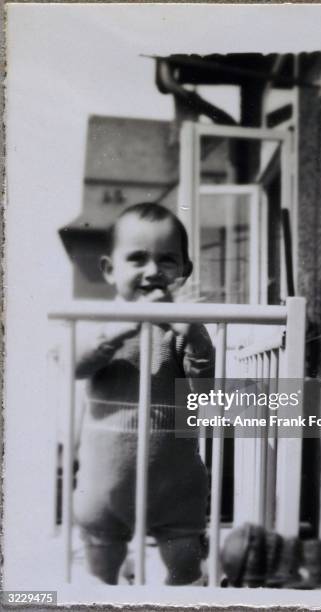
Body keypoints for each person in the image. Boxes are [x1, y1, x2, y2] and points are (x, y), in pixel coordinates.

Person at [73, 202, 215, 585]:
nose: (152, 271)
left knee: (185, 568)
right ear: (109, 270)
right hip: (106, 484)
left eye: (167, 260)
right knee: (100, 571)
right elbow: (76, 365)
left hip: (176, 484)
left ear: (184, 271)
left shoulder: (182, 327)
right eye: (137, 259)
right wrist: (122, 328)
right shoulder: (99, 322)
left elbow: (202, 393)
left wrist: (196, 336)